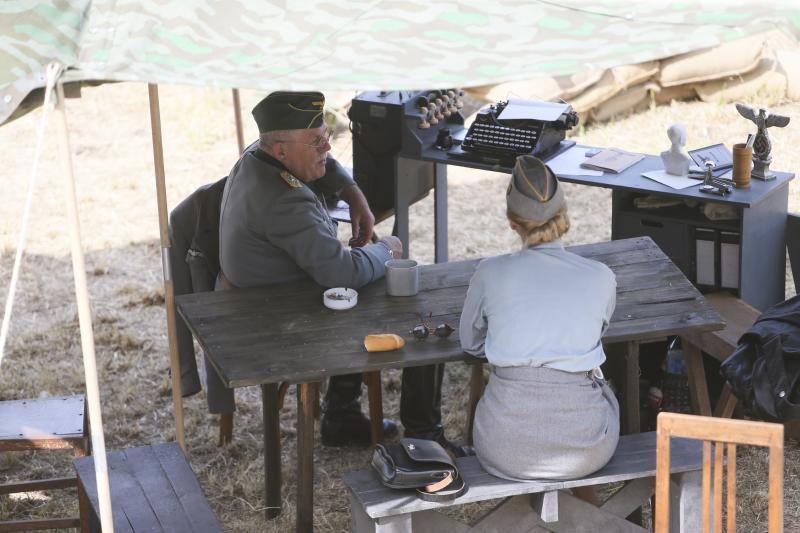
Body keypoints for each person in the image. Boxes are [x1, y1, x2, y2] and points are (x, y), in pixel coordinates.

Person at [216, 91, 467, 454]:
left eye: (325, 137)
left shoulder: (261, 155)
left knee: (374, 289)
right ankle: (423, 436)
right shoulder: (284, 200)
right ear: (281, 151)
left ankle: (342, 415)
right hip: (276, 321)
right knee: (418, 306)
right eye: (316, 141)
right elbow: (343, 274)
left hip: (274, 298)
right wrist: (388, 249)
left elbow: (320, 164)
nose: (327, 148)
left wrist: (353, 194)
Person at [459, 155, 619, 482]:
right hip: (585, 449)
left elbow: (470, 343)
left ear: (512, 222)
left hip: (503, 448)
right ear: (563, 215)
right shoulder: (601, 277)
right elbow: (596, 333)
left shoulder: (489, 274)